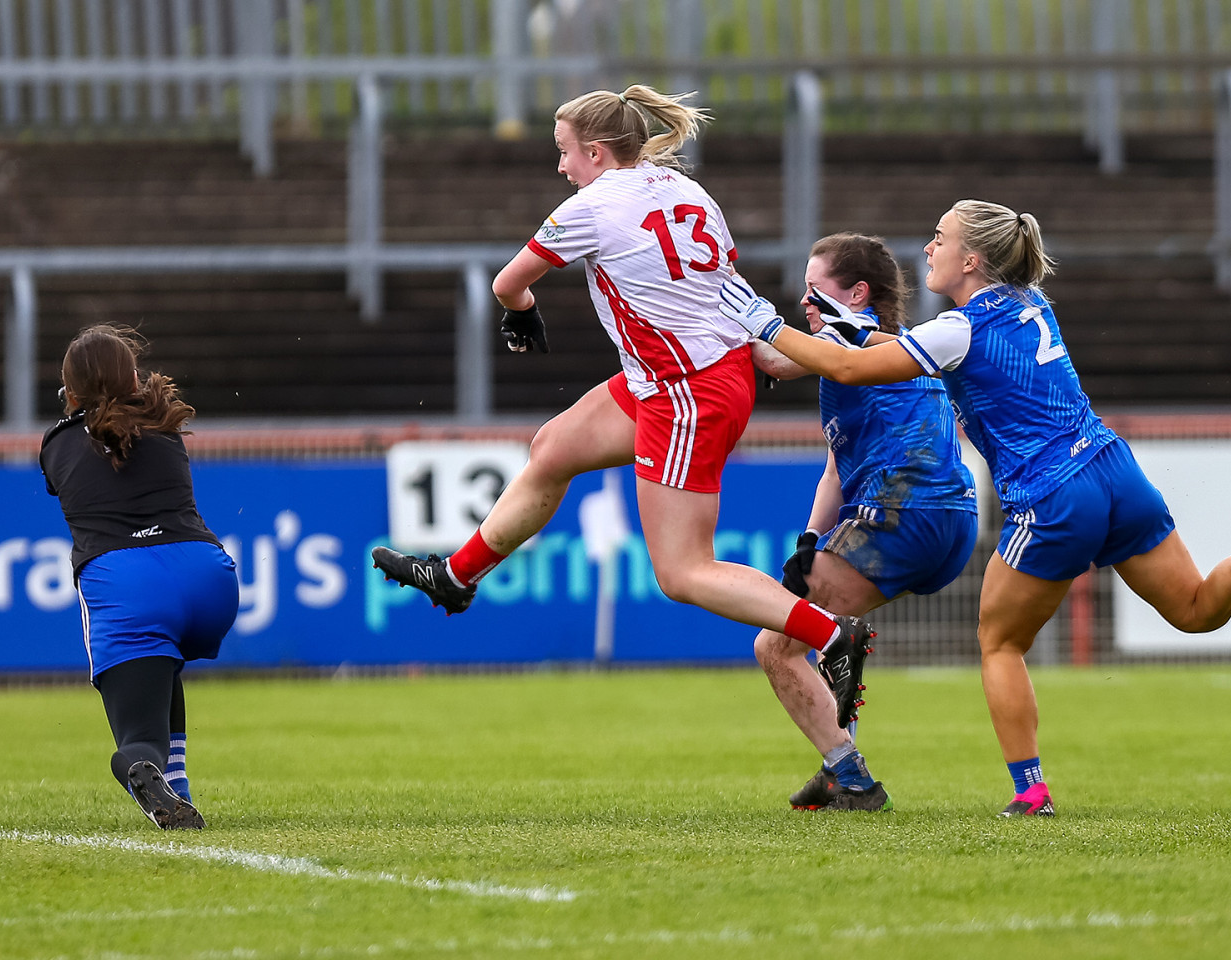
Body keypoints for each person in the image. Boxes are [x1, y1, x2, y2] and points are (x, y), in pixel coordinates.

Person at [718, 200, 1231, 817]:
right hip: (1114, 469)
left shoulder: (956, 329)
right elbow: (887, 354)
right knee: (1194, 610)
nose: (929, 248)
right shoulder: (1030, 303)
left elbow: (849, 369)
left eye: (940, 238)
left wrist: (761, 320)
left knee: (1000, 644)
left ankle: (1031, 793)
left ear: (971, 258)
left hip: (1052, 493)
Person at [369, 85, 876, 723]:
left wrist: (521, 315)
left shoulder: (592, 204)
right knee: (550, 450)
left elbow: (509, 283)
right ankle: (459, 575)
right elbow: (721, 290)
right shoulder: (689, 192)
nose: (561, 169)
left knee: (683, 572)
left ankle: (833, 635)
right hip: (673, 376)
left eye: (564, 154)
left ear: (597, 152)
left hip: (684, 390)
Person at [749, 233, 980, 812]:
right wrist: (809, 538)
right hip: (952, 522)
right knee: (827, 635)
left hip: (901, 514)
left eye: (813, 289)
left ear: (856, 295)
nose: (803, 301)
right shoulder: (898, 349)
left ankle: (848, 772)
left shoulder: (842, 335)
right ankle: (840, 767)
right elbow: (835, 471)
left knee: (777, 645)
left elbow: (773, 358)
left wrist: (715, 309)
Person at [40, 324, 239, 830]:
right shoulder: (165, 422)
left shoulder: (56, 445)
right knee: (163, 658)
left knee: (137, 742)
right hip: (206, 577)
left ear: (71, 390)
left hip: (127, 584)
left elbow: (81, 453)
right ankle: (179, 791)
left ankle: (142, 767)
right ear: (133, 376)